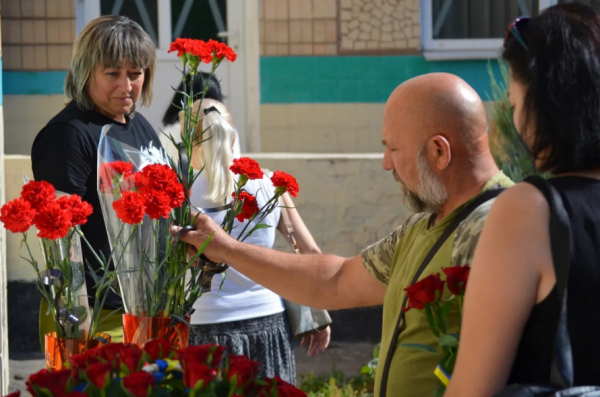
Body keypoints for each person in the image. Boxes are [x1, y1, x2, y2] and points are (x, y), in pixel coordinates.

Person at [172, 72, 514, 396]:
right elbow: (336, 280)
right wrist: (226, 248)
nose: (385, 164)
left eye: (393, 149)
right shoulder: (423, 226)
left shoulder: (499, 227)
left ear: (439, 152)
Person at [446, 4, 600, 395]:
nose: (515, 124)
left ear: (545, 101)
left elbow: (471, 389)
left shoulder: (531, 210)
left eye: (514, 105)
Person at [31, 15, 162, 343]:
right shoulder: (68, 136)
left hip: (143, 305)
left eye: (135, 74)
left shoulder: (140, 125)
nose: (126, 85)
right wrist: (77, 326)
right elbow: (61, 240)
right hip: (95, 315)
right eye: (112, 73)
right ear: (85, 72)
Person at [184, 98, 330, 383]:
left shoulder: (180, 193)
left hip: (204, 327)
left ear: (188, 140)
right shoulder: (269, 184)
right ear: (233, 136)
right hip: (267, 321)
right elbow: (310, 252)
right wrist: (318, 314)